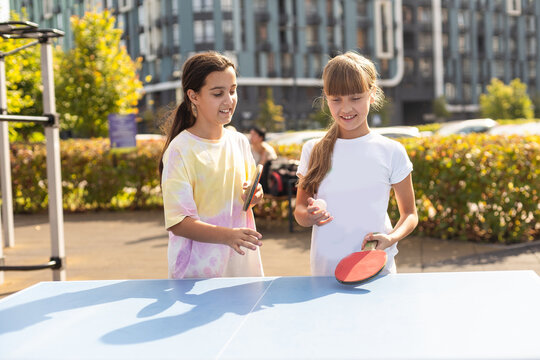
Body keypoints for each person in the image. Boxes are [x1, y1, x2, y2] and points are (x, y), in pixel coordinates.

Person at [293, 51, 418, 276]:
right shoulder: (313, 150)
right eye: (336, 100)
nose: (346, 108)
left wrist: (390, 238)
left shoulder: (392, 151)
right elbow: (300, 211)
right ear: (326, 98)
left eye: (355, 98)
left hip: (378, 270)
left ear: (372, 94)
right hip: (325, 271)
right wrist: (309, 216)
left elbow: (409, 214)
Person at [159, 51, 264, 279]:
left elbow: (244, 200)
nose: (229, 100)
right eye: (218, 93)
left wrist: (255, 195)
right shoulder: (180, 150)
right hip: (197, 273)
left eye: (233, 90)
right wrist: (228, 236)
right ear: (193, 96)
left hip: (240, 264)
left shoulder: (239, 142)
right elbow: (178, 222)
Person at [249, 126, 277, 193]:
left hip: (265, 181)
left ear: (261, 137)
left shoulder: (267, 150)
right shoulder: (249, 149)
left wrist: (263, 155)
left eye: (254, 135)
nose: (251, 137)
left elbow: (261, 169)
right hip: (253, 177)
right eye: (251, 134)